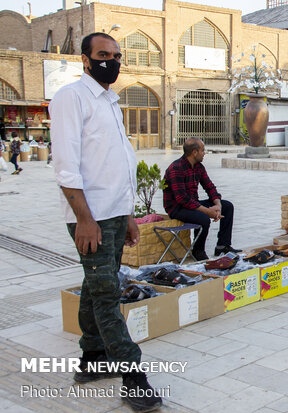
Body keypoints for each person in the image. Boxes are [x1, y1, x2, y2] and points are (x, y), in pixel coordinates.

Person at [50, 32, 162, 412]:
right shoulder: (72, 98)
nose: (111, 61)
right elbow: (66, 167)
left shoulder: (112, 102)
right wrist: (85, 220)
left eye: (116, 55)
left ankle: (92, 358)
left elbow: (116, 166)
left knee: (97, 286)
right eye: (103, 55)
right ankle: (133, 376)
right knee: (105, 293)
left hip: (114, 215)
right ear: (85, 59)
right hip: (90, 218)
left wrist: (128, 214)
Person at [163, 137, 240, 261]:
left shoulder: (199, 166)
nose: (205, 153)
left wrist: (218, 205)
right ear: (194, 152)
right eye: (202, 150)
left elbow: (209, 186)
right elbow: (182, 199)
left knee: (228, 206)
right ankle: (198, 251)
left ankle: (222, 246)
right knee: (203, 218)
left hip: (193, 203)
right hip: (177, 208)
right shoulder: (176, 168)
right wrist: (207, 211)